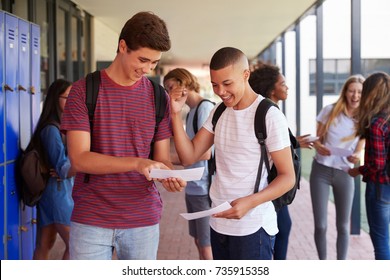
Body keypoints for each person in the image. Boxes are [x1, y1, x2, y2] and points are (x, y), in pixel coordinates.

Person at [60, 11, 186, 260]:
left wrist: (167, 174)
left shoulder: (158, 96)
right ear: (122, 46)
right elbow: (80, 159)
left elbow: (161, 157)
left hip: (142, 220)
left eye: (154, 63)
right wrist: (138, 163)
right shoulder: (83, 91)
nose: (148, 69)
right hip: (91, 219)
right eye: (143, 59)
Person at [170, 47, 295, 260]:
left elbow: (287, 177)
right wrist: (174, 114)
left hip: (253, 227)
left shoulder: (269, 115)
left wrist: (250, 202)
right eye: (215, 85)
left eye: (227, 84)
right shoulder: (219, 112)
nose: (221, 91)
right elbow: (189, 156)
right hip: (218, 222)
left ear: (245, 75)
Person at [248, 62, 313, 260]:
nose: (287, 87)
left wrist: (294, 143)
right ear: (271, 87)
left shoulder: (266, 109)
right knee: (282, 228)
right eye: (282, 83)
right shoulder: (269, 112)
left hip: (272, 183)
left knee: (281, 228)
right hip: (272, 184)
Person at [310, 74, 365, 260]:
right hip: (321, 171)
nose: (355, 95)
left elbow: (358, 153)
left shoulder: (364, 119)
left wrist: (355, 156)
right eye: (352, 91)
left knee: (343, 226)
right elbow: (317, 140)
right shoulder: (329, 111)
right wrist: (320, 147)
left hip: (344, 173)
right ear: (345, 92)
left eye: (359, 92)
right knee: (321, 225)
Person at [163, 68, 214, 260]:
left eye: (170, 87)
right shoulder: (192, 111)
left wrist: (168, 159)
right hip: (193, 186)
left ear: (183, 83)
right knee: (198, 241)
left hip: (203, 187)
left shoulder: (205, 108)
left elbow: (206, 152)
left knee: (206, 244)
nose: (168, 93)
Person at [32, 79, 75, 260]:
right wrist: (84, 164)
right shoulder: (51, 129)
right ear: (55, 99)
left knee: (46, 243)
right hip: (57, 195)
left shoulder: (62, 127)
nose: (72, 101)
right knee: (75, 247)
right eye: (68, 97)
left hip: (57, 193)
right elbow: (64, 169)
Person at [348, 72, 390, 260]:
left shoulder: (377, 123)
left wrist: (357, 170)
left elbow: (377, 164)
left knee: (381, 242)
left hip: (380, 188)